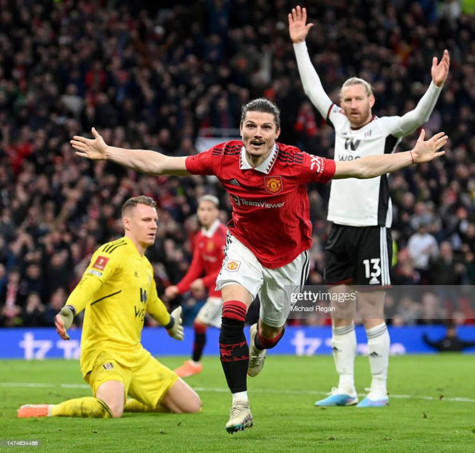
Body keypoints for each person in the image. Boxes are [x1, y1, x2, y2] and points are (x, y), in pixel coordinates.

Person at [70, 98, 447, 432]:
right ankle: (240, 405)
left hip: (289, 258)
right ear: (241, 129)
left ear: (276, 133)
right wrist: (110, 152)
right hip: (244, 247)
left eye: (266, 127)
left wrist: (411, 156)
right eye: (251, 125)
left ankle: (260, 346)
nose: (257, 132)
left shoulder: (295, 162)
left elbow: (360, 167)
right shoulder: (223, 157)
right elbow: (162, 164)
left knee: (269, 333)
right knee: (232, 313)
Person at [289, 6, 450, 408]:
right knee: (340, 310)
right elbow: (312, 89)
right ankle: (345, 386)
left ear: (371, 100)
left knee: (371, 310)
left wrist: (434, 86)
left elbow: (418, 117)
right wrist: (299, 45)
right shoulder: (339, 123)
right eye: (346, 99)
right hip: (338, 229)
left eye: (358, 98)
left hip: (372, 229)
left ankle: (379, 389)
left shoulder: (386, 128)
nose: (351, 105)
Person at [17, 196, 202, 418]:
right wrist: (69, 310)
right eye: (146, 220)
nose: (153, 225)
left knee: (191, 405)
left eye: (155, 220)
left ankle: (127, 402)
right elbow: (89, 283)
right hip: (104, 351)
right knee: (111, 410)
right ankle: (46, 410)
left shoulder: (145, 265)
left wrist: (169, 323)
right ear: (128, 223)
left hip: (135, 354)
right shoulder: (111, 252)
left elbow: (152, 301)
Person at [165, 195, 228, 378]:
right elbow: (196, 267)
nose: (205, 213)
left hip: (227, 289)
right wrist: (179, 288)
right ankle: (244, 361)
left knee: (201, 323)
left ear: (217, 212)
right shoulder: (200, 236)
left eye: (209, 209)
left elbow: (228, 267)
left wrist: (205, 282)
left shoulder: (223, 236)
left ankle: (194, 363)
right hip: (214, 292)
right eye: (202, 209)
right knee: (228, 327)